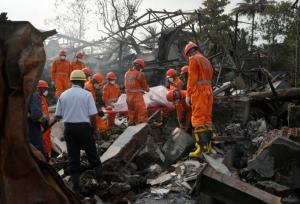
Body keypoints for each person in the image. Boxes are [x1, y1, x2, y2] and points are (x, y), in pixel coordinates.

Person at [55, 70, 103, 192]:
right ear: (82, 81)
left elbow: (58, 116)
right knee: (93, 155)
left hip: (69, 129)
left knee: (73, 158)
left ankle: (76, 188)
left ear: (71, 81)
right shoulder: (87, 95)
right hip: (83, 128)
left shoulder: (63, 95)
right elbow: (93, 115)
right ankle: (101, 183)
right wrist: (94, 129)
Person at [184, 41, 213, 157]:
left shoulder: (193, 59)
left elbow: (192, 78)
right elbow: (210, 75)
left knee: (197, 119)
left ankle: (200, 149)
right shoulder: (206, 60)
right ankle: (208, 147)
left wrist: (188, 94)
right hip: (208, 91)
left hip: (199, 91)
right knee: (207, 119)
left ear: (189, 52)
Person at [124, 58, 149, 126]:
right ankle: (142, 129)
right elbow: (145, 87)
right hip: (137, 97)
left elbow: (131, 85)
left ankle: (131, 127)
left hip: (128, 97)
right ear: (139, 66)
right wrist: (147, 89)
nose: (141, 69)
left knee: (131, 113)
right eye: (141, 67)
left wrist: (139, 90)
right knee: (142, 113)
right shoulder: (139, 74)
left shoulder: (127, 73)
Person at [27, 88, 49, 158]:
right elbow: (36, 115)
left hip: (21, 127)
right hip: (32, 127)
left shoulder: (16, 96)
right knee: (38, 150)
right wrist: (44, 122)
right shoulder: (33, 95)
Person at [36, 80, 52, 160]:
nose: (46, 90)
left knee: (47, 142)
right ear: (40, 89)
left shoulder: (43, 98)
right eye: (45, 88)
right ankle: (44, 159)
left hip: (46, 126)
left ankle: (49, 158)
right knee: (43, 143)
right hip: (42, 126)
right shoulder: (36, 99)